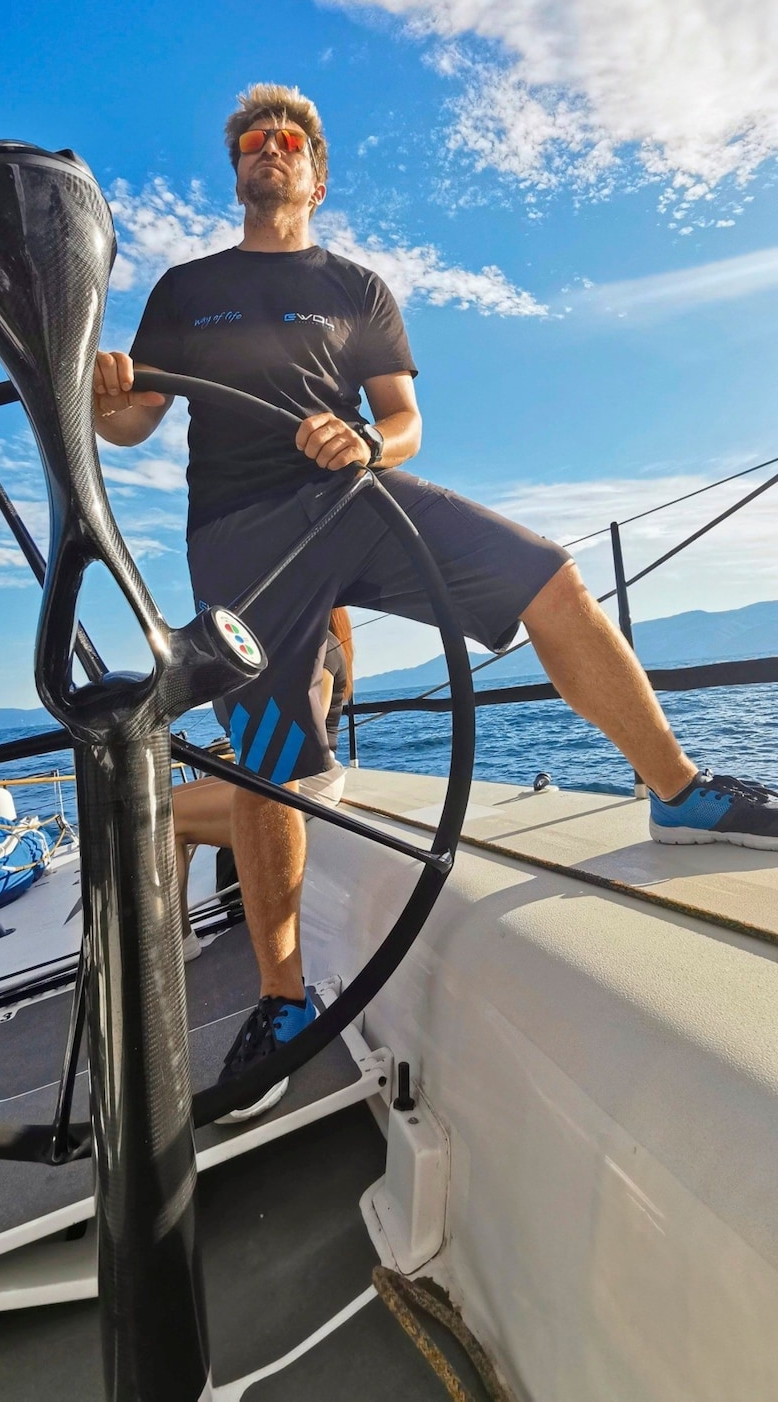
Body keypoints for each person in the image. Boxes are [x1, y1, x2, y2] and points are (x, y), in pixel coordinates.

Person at [94, 82, 778, 1122]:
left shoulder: (359, 287)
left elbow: (403, 419)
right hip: (236, 536)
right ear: (235, 170)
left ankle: (675, 790)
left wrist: (366, 443)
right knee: (274, 758)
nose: (265, 151)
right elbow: (134, 421)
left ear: (316, 173)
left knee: (546, 572)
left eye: (284, 140)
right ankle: (283, 1000)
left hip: (354, 498)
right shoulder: (187, 289)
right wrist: (105, 396)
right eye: (248, 141)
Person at [174, 609, 353, 966]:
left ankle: (174, 941)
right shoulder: (280, 646)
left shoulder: (320, 647)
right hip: (268, 773)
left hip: (305, 779)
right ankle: (172, 933)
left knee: (163, 816)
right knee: (160, 802)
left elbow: (303, 742)